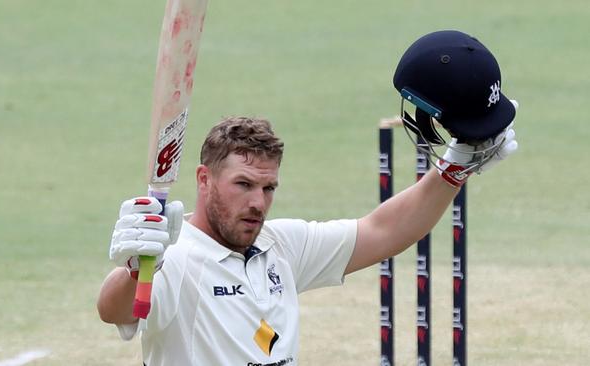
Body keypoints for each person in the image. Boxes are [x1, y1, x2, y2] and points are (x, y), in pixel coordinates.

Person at [97, 30, 519, 366]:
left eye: (268, 188)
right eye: (243, 185)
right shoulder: (176, 259)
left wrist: (454, 169)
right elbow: (114, 310)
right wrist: (136, 268)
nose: (258, 203)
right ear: (204, 179)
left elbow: (384, 230)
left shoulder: (280, 246)